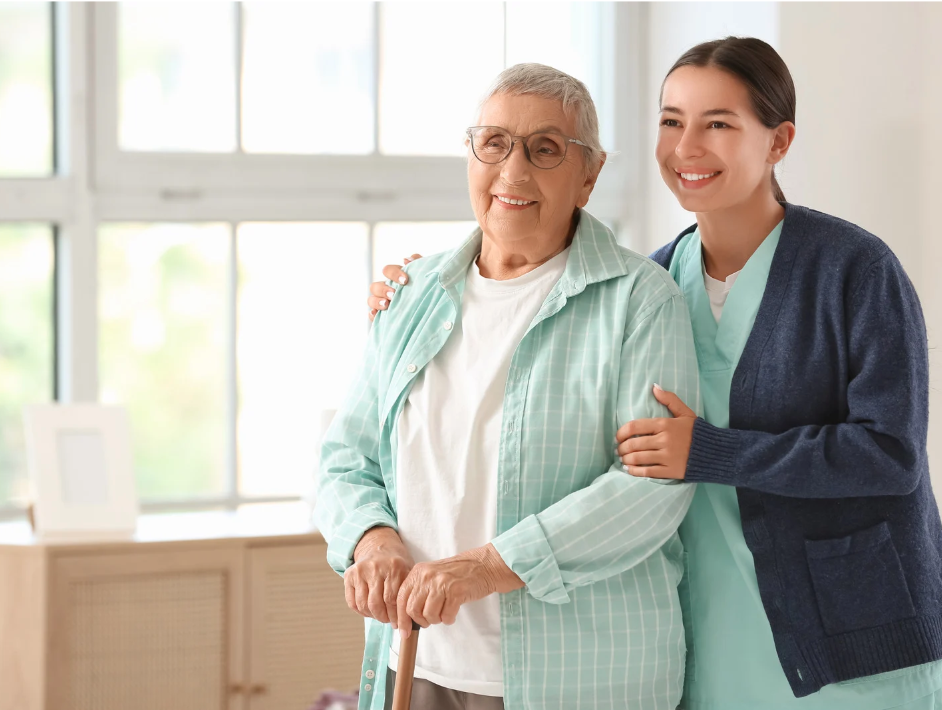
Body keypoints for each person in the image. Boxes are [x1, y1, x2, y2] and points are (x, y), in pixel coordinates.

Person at [369, 37, 942, 710]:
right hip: (711, 632)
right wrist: (413, 296)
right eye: (672, 121)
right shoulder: (654, 282)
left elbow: (890, 454)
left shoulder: (854, 270)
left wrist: (712, 451)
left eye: (717, 124)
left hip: (849, 637)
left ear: (779, 140)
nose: (686, 147)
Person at [314, 64, 701, 710]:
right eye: (493, 144)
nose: (512, 172)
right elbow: (346, 457)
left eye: (545, 149)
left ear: (589, 175)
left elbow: (650, 490)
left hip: (578, 681)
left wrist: (486, 568)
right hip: (415, 662)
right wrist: (371, 539)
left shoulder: (641, 301)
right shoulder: (411, 294)